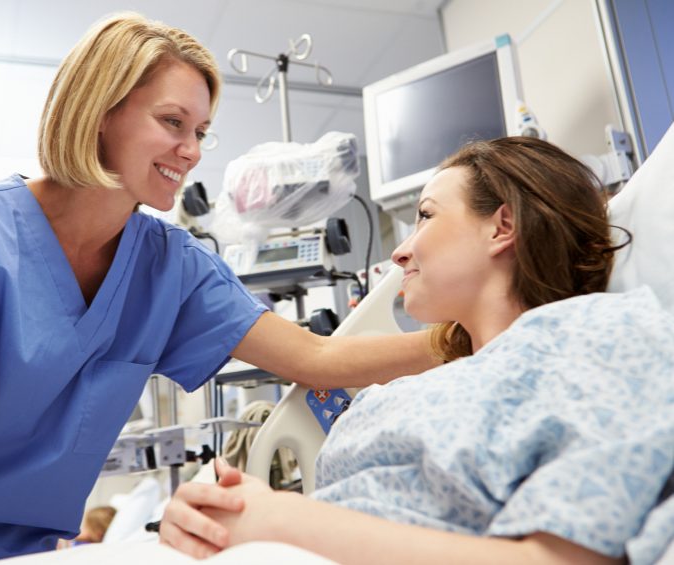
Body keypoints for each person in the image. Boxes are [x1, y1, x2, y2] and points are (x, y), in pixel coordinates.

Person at [0, 11, 438, 565]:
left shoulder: (173, 268)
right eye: (172, 122)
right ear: (99, 112)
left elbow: (316, 356)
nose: (190, 150)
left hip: (29, 548)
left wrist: (471, 337)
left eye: (200, 133)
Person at [160, 137, 674, 564]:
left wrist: (283, 521)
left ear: (503, 226)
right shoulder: (404, 392)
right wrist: (213, 517)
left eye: (425, 217)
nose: (400, 249)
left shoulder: (598, 335)